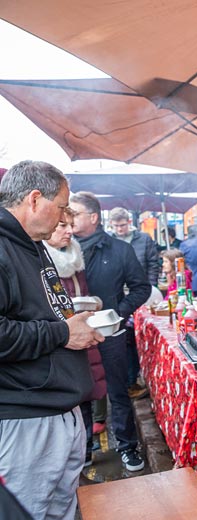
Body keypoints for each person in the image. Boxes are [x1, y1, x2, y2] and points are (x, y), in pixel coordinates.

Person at [0, 161, 104, 519]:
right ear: (33, 199)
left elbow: (36, 311)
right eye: (61, 206)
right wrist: (63, 332)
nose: (65, 217)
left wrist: (73, 322)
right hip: (28, 416)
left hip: (60, 408)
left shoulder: (33, 244)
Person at [70, 191, 151, 472]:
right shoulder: (60, 249)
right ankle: (85, 451)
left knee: (117, 392)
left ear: (93, 217)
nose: (68, 218)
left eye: (75, 213)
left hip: (110, 333)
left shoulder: (119, 250)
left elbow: (142, 287)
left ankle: (127, 446)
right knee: (81, 394)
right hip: (74, 336)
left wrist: (119, 311)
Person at [44, 216, 107, 468]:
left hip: (83, 335)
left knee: (87, 392)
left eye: (71, 224)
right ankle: (72, 457)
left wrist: (93, 303)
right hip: (59, 342)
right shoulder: (41, 260)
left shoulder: (75, 254)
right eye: (62, 224)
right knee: (71, 399)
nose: (70, 230)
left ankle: (86, 451)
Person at [108, 207, 160, 399]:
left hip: (142, 292)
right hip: (122, 297)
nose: (120, 229)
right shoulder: (109, 241)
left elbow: (153, 263)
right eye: (116, 226)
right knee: (128, 339)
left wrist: (151, 287)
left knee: (145, 335)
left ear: (129, 223)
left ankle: (143, 375)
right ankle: (131, 380)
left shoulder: (143, 239)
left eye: (122, 225)